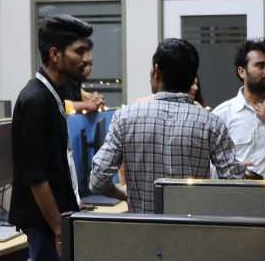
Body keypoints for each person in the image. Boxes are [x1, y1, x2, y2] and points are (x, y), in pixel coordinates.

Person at [12, 15, 93, 261]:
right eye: (80, 51)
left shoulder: (53, 95)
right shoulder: (35, 100)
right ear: (54, 54)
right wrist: (59, 227)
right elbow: (35, 177)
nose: (87, 59)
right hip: (46, 224)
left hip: (58, 218)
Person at [89, 38, 244, 212]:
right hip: (193, 226)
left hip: (141, 226)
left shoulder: (125, 117)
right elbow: (235, 183)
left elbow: (97, 180)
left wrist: (124, 195)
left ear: (156, 71)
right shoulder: (211, 122)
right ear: (193, 78)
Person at [212, 38, 265, 179]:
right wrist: (237, 172)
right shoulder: (222, 114)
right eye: (260, 65)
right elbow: (211, 167)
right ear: (242, 72)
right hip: (238, 190)